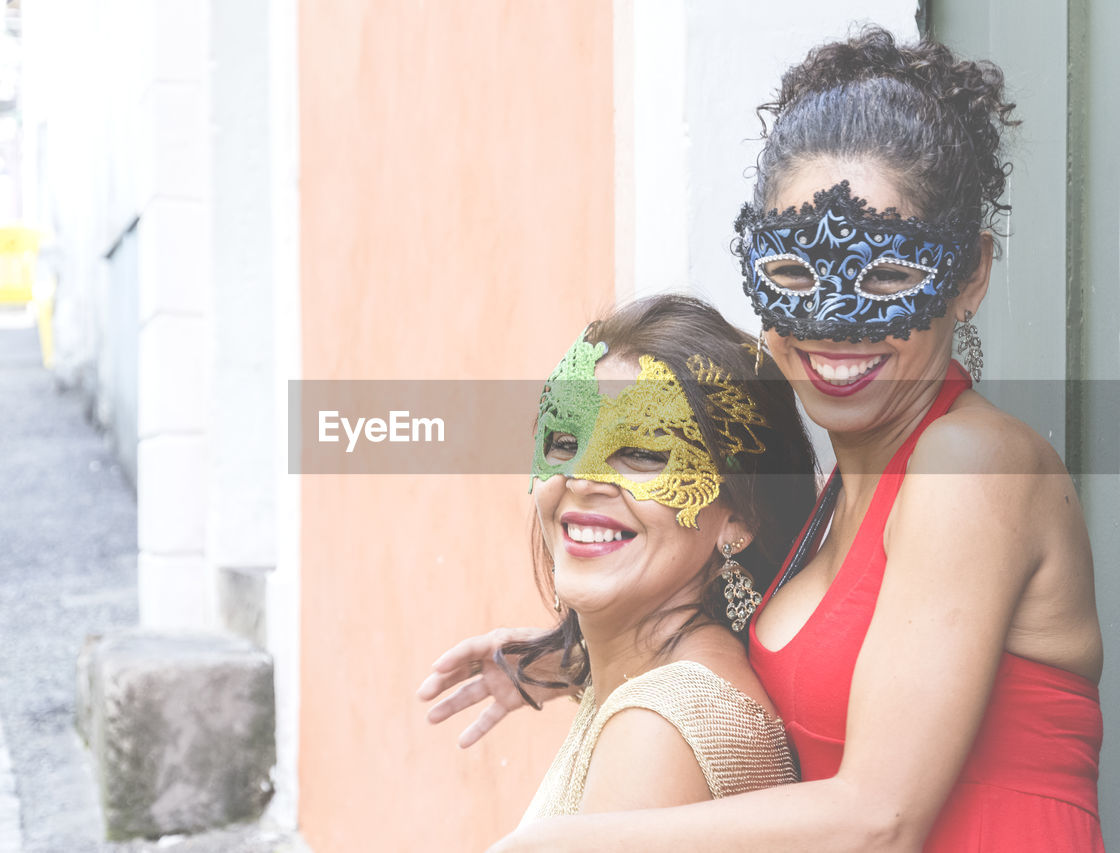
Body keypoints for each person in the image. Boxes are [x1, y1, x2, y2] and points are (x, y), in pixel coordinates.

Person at [420, 27, 1104, 852]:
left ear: (971, 276)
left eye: (887, 276)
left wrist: (558, 841)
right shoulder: (830, 508)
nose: (832, 322)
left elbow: (880, 817)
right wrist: (564, 661)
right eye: (794, 274)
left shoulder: (972, 463)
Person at [423, 294, 817, 831]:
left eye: (645, 453)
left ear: (739, 516)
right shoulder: (659, 687)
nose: (581, 480)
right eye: (565, 441)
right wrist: (572, 662)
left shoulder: (657, 731)